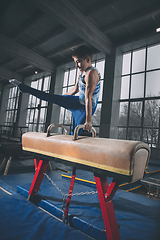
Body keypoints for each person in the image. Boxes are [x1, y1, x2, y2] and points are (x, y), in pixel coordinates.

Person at [9, 45, 101, 135]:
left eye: (79, 62)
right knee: (50, 97)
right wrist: (61, 98)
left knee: (74, 134)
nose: (76, 65)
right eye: (75, 62)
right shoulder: (81, 72)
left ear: (88, 60)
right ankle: (24, 88)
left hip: (86, 109)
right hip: (77, 102)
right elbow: (75, 89)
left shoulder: (92, 74)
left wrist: (88, 120)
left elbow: (88, 98)